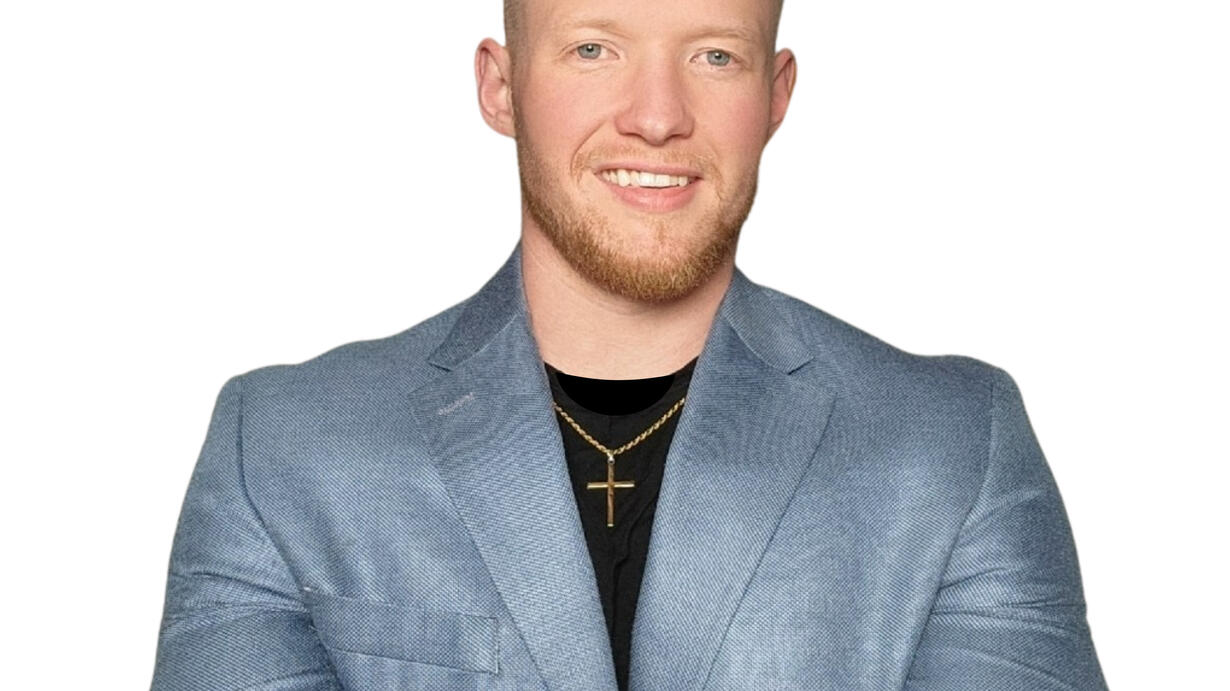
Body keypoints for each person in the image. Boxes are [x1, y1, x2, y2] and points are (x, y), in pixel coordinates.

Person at [151, 0, 1107, 688]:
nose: (657, 116)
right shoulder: (282, 450)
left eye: (715, 55)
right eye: (594, 48)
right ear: (499, 87)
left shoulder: (952, 447)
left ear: (776, 94)